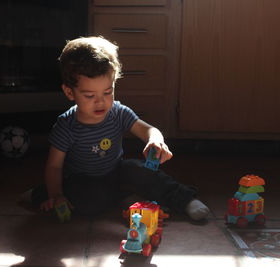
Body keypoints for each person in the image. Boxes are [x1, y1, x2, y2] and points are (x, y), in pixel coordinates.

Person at [29, 36, 209, 220]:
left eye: (108, 92)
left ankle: (184, 200)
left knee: (142, 171)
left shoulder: (118, 112)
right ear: (69, 92)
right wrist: (56, 194)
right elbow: (54, 166)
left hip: (116, 171)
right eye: (90, 95)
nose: (101, 101)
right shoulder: (66, 125)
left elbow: (147, 129)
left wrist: (155, 140)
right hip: (82, 181)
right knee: (88, 200)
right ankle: (43, 194)